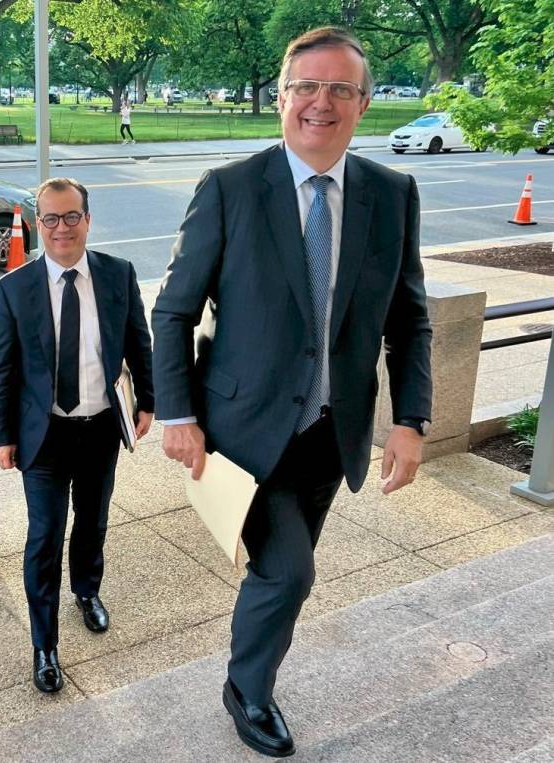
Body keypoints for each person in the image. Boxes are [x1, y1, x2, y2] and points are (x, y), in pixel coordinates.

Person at [152, 26, 432, 757]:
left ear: (363, 103)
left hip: (332, 434)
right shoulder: (230, 188)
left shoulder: (392, 194)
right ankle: (247, 689)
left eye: (340, 88)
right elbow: (174, 311)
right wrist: (176, 412)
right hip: (243, 432)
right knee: (289, 571)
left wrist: (411, 420)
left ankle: (254, 668)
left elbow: (409, 318)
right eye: (306, 86)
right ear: (281, 98)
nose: (321, 102)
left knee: (281, 573)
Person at [0, 177, 154, 694]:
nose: (62, 228)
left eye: (72, 216)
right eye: (52, 218)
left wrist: (149, 402)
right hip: (44, 434)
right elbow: (0, 370)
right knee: (44, 536)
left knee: (93, 520)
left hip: (101, 428)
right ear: (39, 223)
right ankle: (44, 644)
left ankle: (86, 590)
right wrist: (0, 435)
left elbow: (139, 343)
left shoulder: (118, 274)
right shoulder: (15, 288)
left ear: (88, 219)